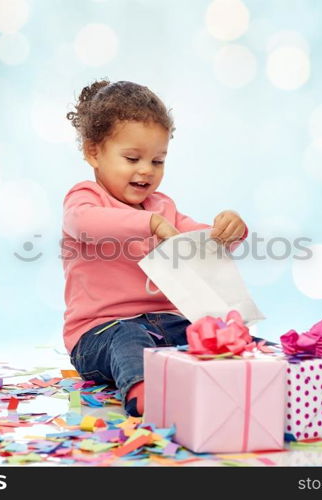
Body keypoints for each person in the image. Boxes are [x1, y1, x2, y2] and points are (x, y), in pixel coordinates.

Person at [62, 79, 255, 417]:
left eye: (158, 161)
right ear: (94, 152)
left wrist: (230, 229)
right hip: (99, 334)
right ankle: (145, 392)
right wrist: (147, 224)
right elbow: (85, 223)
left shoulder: (163, 207)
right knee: (128, 337)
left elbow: (205, 242)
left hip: (164, 325)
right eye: (132, 158)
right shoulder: (85, 199)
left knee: (210, 330)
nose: (146, 171)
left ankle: (256, 373)